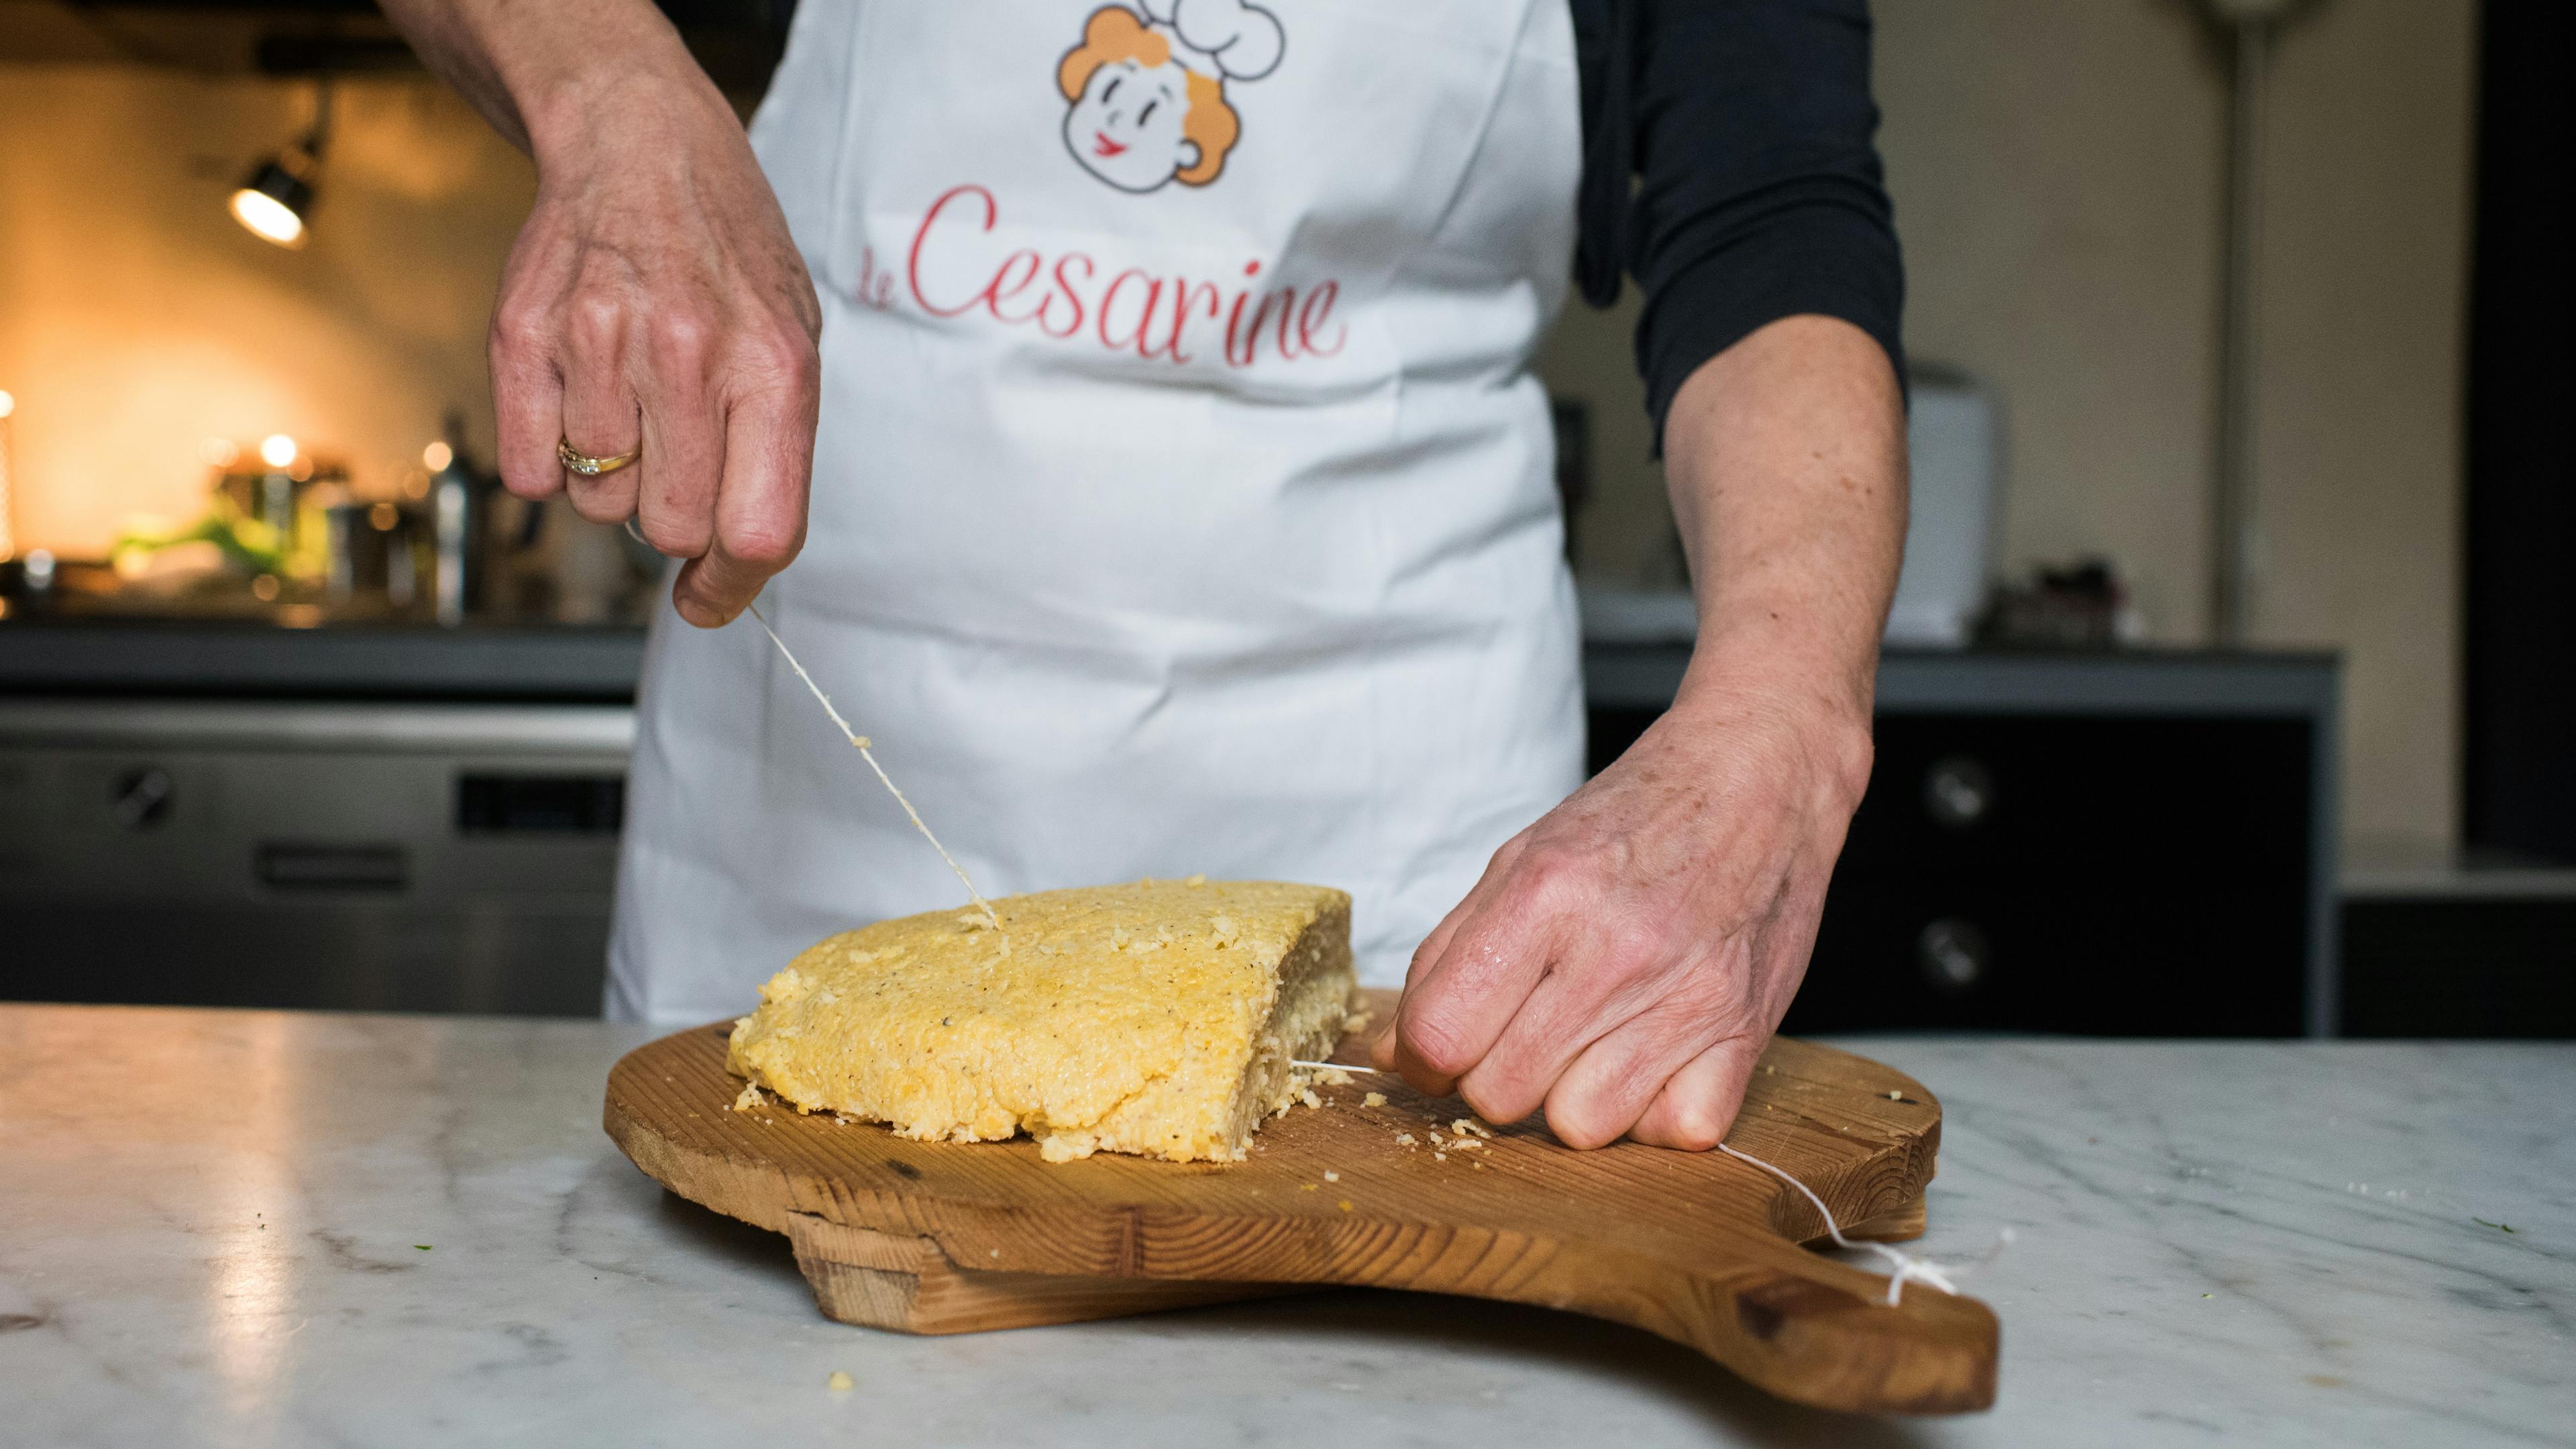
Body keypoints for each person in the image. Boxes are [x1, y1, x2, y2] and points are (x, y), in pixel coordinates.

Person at [379, 0, 1907, 1152]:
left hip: (1393, 825)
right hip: (822, 788)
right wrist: (612, 88)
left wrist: (1787, 725)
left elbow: (1770, 211)